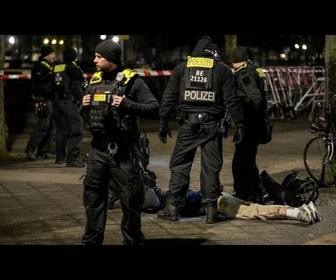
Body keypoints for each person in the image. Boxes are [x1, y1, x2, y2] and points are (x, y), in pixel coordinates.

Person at [156, 36, 245, 224]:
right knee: (211, 167)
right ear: (212, 52)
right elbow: (232, 100)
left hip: (187, 125)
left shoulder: (182, 67)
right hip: (212, 125)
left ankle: (172, 207)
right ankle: (211, 210)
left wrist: (163, 122)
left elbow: (169, 96)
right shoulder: (221, 69)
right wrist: (241, 125)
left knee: (180, 165)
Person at [81, 39, 160, 245]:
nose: (94, 60)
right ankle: (91, 240)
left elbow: (153, 108)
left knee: (130, 199)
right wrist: (84, 105)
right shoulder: (95, 80)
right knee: (93, 198)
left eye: (99, 57)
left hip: (122, 151)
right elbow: (87, 116)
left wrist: (127, 104)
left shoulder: (132, 81)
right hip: (98, 149)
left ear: (111, 58)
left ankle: (133, 240)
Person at [230, 46, 268, 203]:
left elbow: (255, 97)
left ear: (234, 62)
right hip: (254, 125)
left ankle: (249, 192)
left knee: (242, 161)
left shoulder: (244, 73)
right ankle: (248, 191)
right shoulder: (254, 69)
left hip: (250, 126)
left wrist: (249, 120)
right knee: (246, 159)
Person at [53, 47, 86, 167]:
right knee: (77, 128)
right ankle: (73, 158)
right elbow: (76, 85)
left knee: (62, 130)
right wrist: (83, 97)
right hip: (69, 102)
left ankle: (60, 157)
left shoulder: (58, 67)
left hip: (58, 102)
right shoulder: (73, 68)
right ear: (74, 56)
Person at [25, 46, 57, 161]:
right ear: (47, 54)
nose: (54, 56)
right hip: (42, 99)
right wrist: (51, 75)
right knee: (43, 125)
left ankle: (44, 151)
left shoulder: (50, 66)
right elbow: (39, 80)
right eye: (52, 54)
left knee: (50, 126)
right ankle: (31, 149)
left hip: (49, 99)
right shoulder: (39, 66)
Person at [217, 191, 322, 224]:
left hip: (219, 202)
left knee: (256, 211)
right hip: (222, 195)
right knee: (256, 207)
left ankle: (298, 213)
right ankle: (301, 210)